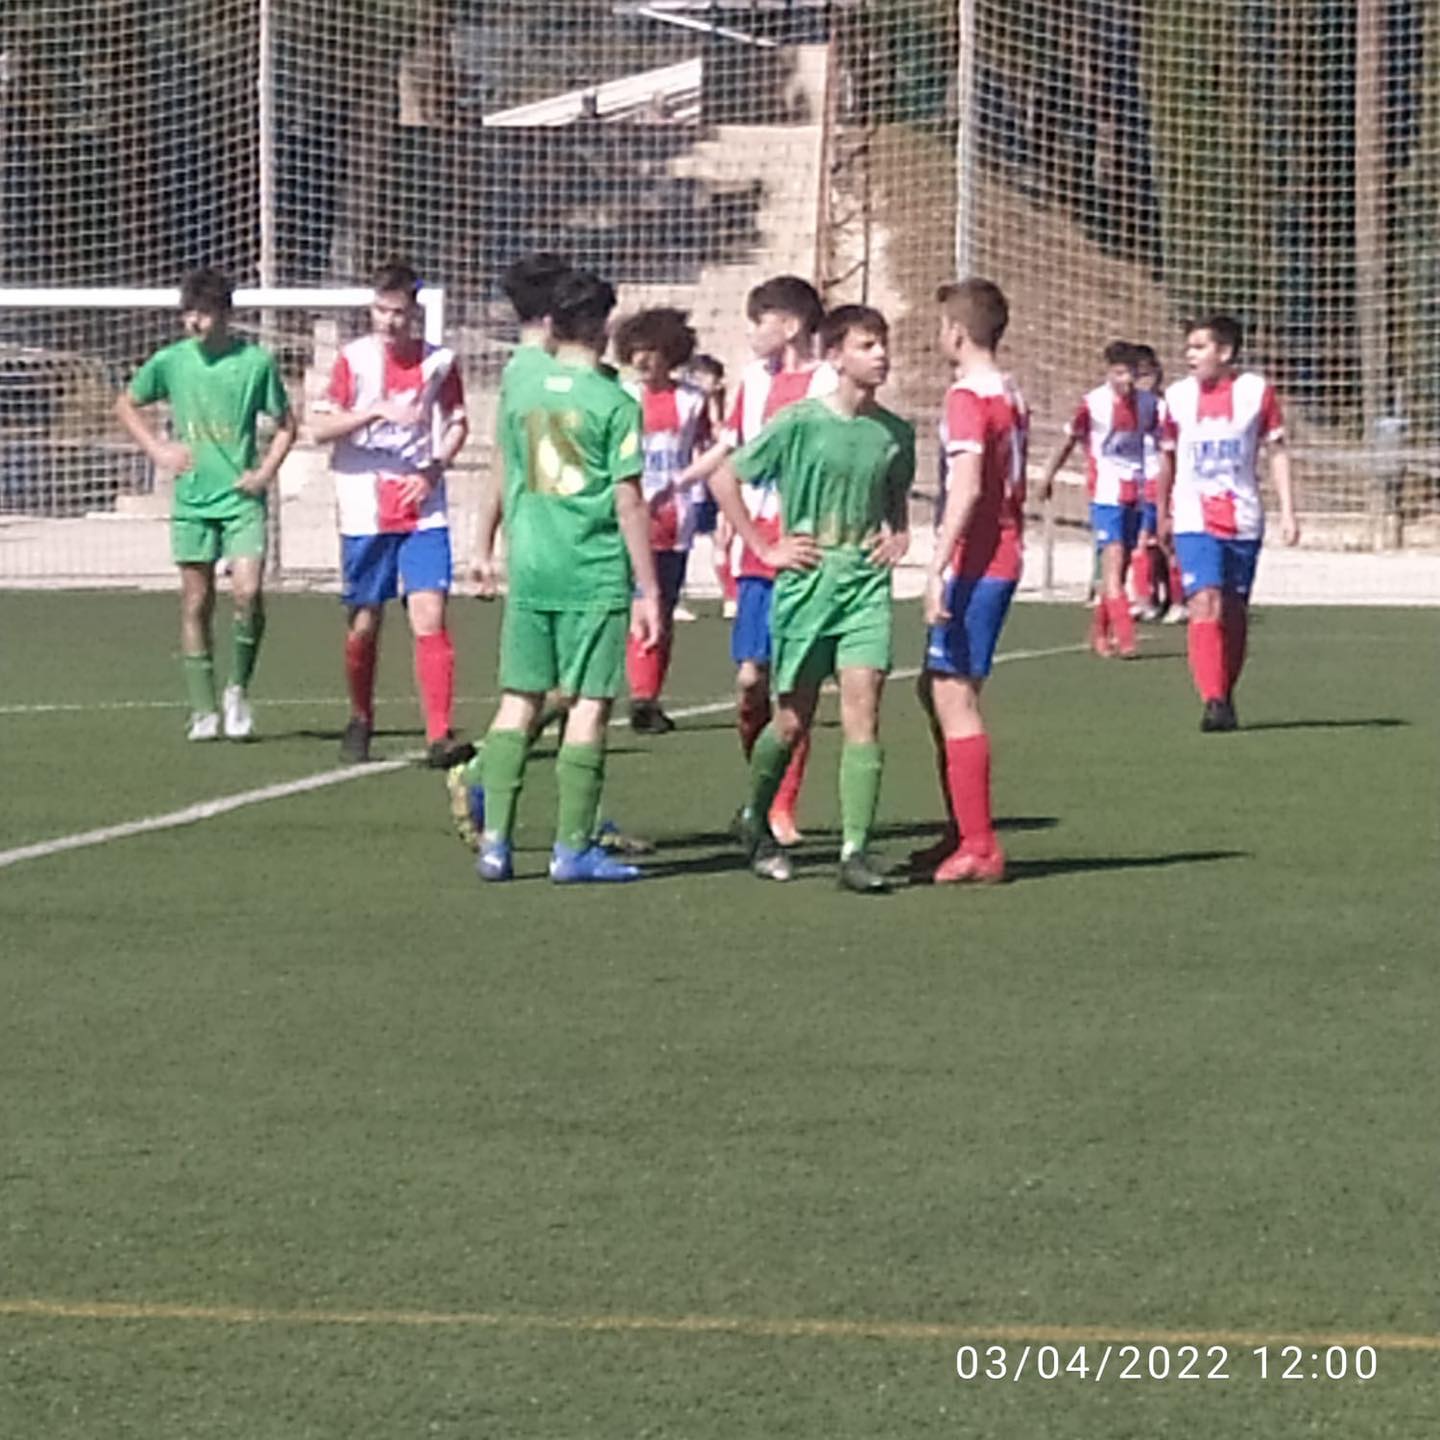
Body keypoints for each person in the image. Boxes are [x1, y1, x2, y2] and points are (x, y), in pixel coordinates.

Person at [710, 304, 914, 894]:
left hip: (865, 585)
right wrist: (762, 546)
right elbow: (725, 477)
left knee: (864, 712)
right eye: (867, 345)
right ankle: (754, 818)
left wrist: (898, 532)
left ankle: (855, 850)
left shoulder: (895, 434)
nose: (880, 355)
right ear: (835, 356)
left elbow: (894, 497)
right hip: (808, 582)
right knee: (793, 721)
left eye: (883, 344)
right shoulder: (800, 422)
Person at [469, 268, 662, 883]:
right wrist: (649, 588)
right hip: (592, 567)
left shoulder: (522, 387)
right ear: (602, 329)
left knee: (518, 701)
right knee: (588, 705)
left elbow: (504, 465)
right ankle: (571, 848)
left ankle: (495, 844)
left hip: (531, 563)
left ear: (551, 325)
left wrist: (486, 541)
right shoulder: (614, 403)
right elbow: (628, 500)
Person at [679, 275, 833, 845]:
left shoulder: (825, 383)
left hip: (806, 551)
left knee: (792, 688)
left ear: (789, 325)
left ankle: (780, 808)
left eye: (759, 319)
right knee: (750, 682)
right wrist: (679, 483)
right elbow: (732, 449)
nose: (751, 332)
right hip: (756, 550)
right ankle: (759, 793)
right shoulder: (751, 382)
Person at [115, 267, 296, 741]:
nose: (194, 322)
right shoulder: (173, 361)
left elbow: (286, 425)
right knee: (196, 602)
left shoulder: (255, 364)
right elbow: (126, 405)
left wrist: (262, 474)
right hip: (193, 500)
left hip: (240, 500)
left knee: (248, 592)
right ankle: (203, 710)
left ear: (226, 315)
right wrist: (157, 449)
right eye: (188, 313)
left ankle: (237, 690)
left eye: (204, 313)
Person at [310, 259, 471, 768]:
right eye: (380, 310)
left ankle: (440, 734)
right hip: (363, 500)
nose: (388, 322)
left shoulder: (440, 363)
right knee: (364, 621)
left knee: (429, 614)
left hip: (421, 503)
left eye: (397, 312)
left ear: (414, 312)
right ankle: (360, 717)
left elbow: (458, 424)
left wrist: (434, 469)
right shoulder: (353, 361)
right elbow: (319, 429)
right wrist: (375, 411)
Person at [915, 278, 1028, 885]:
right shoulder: (1010, 390)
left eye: (941, 327)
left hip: (978, 561)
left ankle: (980, 845)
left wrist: (936, 567)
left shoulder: (966, 396)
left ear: (956, 332)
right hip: (1001, 553)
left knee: (955, 698)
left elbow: (968, 486)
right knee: (934, 691)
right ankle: (963, 826)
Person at [1158, 314, 1298, 732]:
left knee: (1234, 609)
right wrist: (1160, 509)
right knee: (1205, 601)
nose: (1190, 355)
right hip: (1192, 515)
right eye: (1188, 347)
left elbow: (1276, 451)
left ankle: (1226, 690)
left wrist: (1289, 510)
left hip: (1243, 516)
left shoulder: (1256, 393)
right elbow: (1165, 456)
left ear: (1225, 351)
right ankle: (1213, 699)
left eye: (1199, 347)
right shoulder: (1177, 397)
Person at [614, 307, 711, 733]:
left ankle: (646, 697)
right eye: (635, 350)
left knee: (661, 606)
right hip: (623, 515)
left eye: (651, 351)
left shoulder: (692, 400)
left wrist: (691, 489)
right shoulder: (620, 396)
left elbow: (710, 450)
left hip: (673, 519)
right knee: (623, 603)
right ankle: (608, 690)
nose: (642, 359)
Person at [1039, 340, 1157, 659]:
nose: (1126, 380)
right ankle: (1127, 637)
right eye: (1119, 373)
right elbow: (1068, 440)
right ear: (1108, 373)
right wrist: (1048, 475)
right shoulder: (1093, 404)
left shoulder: (1149, 405)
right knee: (1114, 564)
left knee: (1117, 572)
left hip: (1138, 491)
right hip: (1105, 495)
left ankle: (1099, 633)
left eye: (1131, 373)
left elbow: (1166, 444)